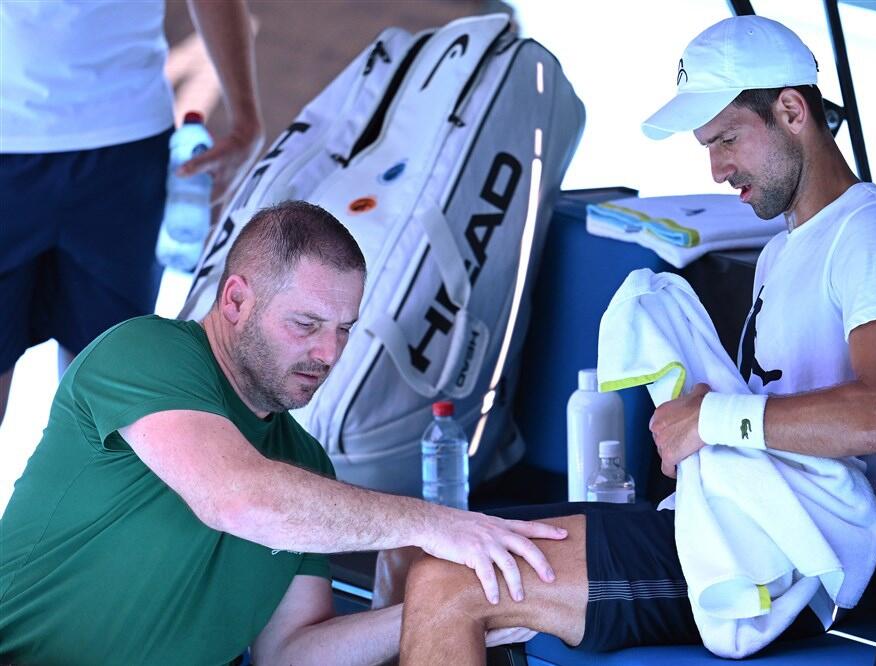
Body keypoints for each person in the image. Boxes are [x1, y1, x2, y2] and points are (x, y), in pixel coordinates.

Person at [388, 15, 876, 664]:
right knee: (422, 551)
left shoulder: (871, 233)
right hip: (728, 522)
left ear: (792, 110)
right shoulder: (783, 251)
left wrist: (709, 419)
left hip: (788, 559)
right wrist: (701, 430)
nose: (716, 168)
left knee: (450, 582)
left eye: (727, 138)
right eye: (707, 145)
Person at [0, 201, 567, 664]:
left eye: (344, 330)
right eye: (305, 325)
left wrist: (454, 608)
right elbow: (237, 498)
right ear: (237, 300)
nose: (328, 353)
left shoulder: (304, 465)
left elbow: (291, 653)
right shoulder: (148, 352)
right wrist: (436, 524)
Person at [0, 0, 265, 427]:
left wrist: (246, 117)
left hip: (124, 143)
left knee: (104, 400)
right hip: (36, 141)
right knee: (105, 390)